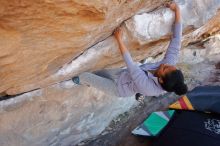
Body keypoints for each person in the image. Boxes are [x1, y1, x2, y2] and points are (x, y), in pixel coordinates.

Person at [72, 2, 188, 98]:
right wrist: (177, 10)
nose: (165, 64)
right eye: (169, 66)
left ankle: (79, 80)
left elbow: (131, 65)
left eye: (165, 69)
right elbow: (177, 40)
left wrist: (119, 40)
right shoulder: (169, 67)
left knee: (85, 75)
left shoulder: (149, 88)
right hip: (122, 75)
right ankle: (90, 81)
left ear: (161, 80)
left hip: (118, 89)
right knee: (98, 74)